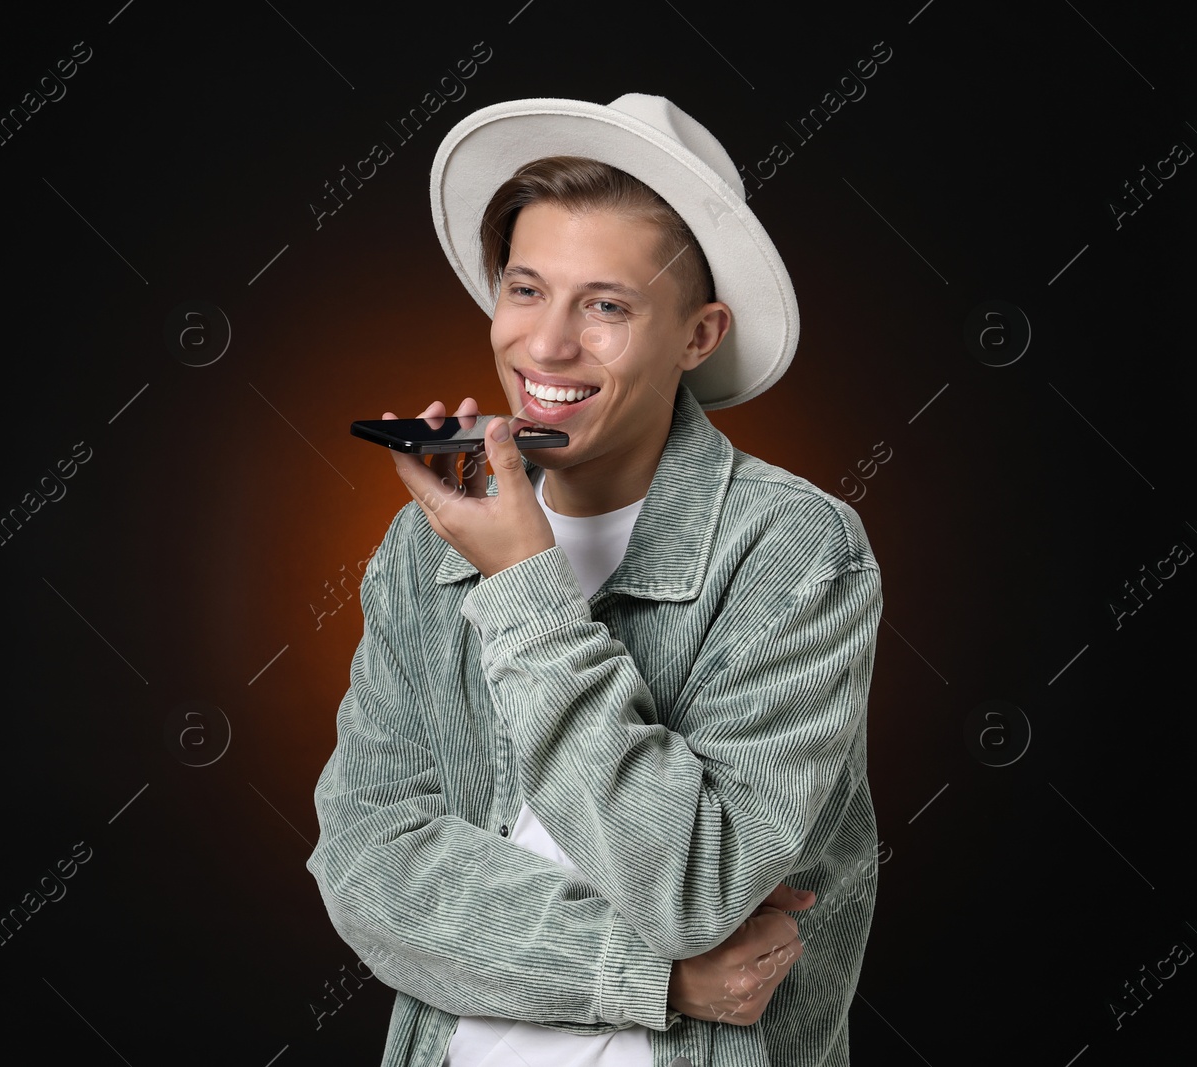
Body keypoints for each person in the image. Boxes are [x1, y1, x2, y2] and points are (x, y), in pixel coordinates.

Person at [307, 92, 883, 1067]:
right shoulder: (421, 547)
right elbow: (365, 864)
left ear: (697, 336)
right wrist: (656, 973)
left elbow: (695, 882)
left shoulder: (793, 553)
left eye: (605, 305)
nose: (545, 345)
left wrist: (524, 576)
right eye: (525, 290)